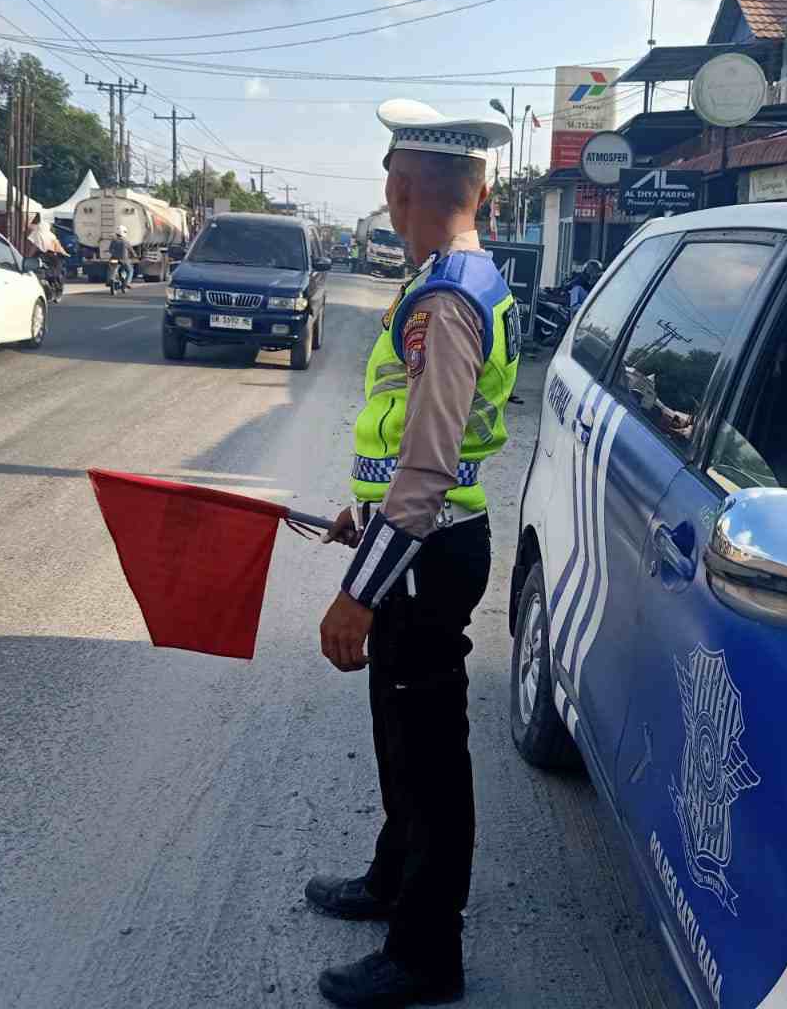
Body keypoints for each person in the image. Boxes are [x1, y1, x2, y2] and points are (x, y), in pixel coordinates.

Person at [309, 99, 519, 1008]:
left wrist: (358, 592)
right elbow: (419, 450)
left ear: (399, 189)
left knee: (430, 754)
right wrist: (367, 515)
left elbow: (430, 466)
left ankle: (427, 951)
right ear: (480, 191)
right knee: (401, 733)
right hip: (420, 543)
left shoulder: (444, 299)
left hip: (427, 555)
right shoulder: (466, 275)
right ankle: (392, 881)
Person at [26, 212, 67, 294]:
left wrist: (28, 257)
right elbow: (58, 247)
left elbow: (34, 247)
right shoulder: (51, 235)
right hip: (49, 257)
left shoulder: (38, 234)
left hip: (46, 257)